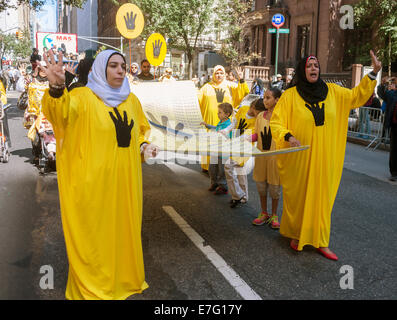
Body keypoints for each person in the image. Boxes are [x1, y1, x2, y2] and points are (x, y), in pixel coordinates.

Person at [41, 49, 159, 300]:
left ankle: (123, 279)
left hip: (125, 183)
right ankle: (93, 285)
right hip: (92, 185)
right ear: (100, 69)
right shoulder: (82, 97)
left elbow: (139, 133)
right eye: (113, 65)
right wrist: (56, 88)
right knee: (94, 237)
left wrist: (144, 146)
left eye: (123, 66)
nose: (120, 70)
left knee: (122, 233)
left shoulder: (131, 100)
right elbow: (59, 115)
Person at [270, 51, 381, 260]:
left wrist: (374, 73)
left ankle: (321, 241)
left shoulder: (333, 91)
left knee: (322, 198)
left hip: (325, 157)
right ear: (303, 71)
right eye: (310, 66)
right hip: (300, 157)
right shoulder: (290, 96)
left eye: (316, 65)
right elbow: (276, 122)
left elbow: (356, 96)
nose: (314, 69)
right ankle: (297, 234)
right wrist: (288, 135)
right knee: (300, 197)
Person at [198, 65, 249, 172]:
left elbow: (243, 93)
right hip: (210, 120)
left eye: (221, 73)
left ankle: (221, 173)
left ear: (225, 74)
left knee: (223, 147)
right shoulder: (206, 87)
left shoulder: (230, 86)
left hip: (225, 123)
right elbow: (196, 100)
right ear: (213, 74)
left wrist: (241, 79)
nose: (219, 75)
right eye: (217, 73)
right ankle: (208, 167)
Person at [221, 98, 266, 208]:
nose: (256, 114)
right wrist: (226, 130)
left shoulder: (257, 120)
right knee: (240, 170)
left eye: (258, 113)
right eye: (256, 111)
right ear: (252, 106)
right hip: (236, 144)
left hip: (245, 147)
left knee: (228, 166)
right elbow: (234, 123)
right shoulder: (243, 109)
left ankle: (238, 195)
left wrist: (232, 141)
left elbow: (246, 136)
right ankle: (243, 196)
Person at [250, 88, 282, 229]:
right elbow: (256, 134)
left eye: (268, 97)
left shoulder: (282, 117)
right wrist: (247, 138)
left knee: (274, 188)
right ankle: (264, 213)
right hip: (261, 156)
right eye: (264, 97)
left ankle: (274, 214)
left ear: (277, 100)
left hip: (275, 157)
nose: (265, 100)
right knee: (261, 186)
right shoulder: (260, 116)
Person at [201, 102, 234, 195]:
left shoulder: (229, 125)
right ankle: (214, 183)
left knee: (221, 170)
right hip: (216, 150)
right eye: (218, 112)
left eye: (220, 112)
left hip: (224, 152)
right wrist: (207, 125)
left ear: (227, 114)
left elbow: (229, 137)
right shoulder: (221, 122)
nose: (218, 114)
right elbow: (216, 128)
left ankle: (223, 187)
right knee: (212, 168)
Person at [377, 77, 397, 181]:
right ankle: (394, 172)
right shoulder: (392, 94)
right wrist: (382, 84)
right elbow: (381, 94)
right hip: (394, 126)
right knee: (394, 150)